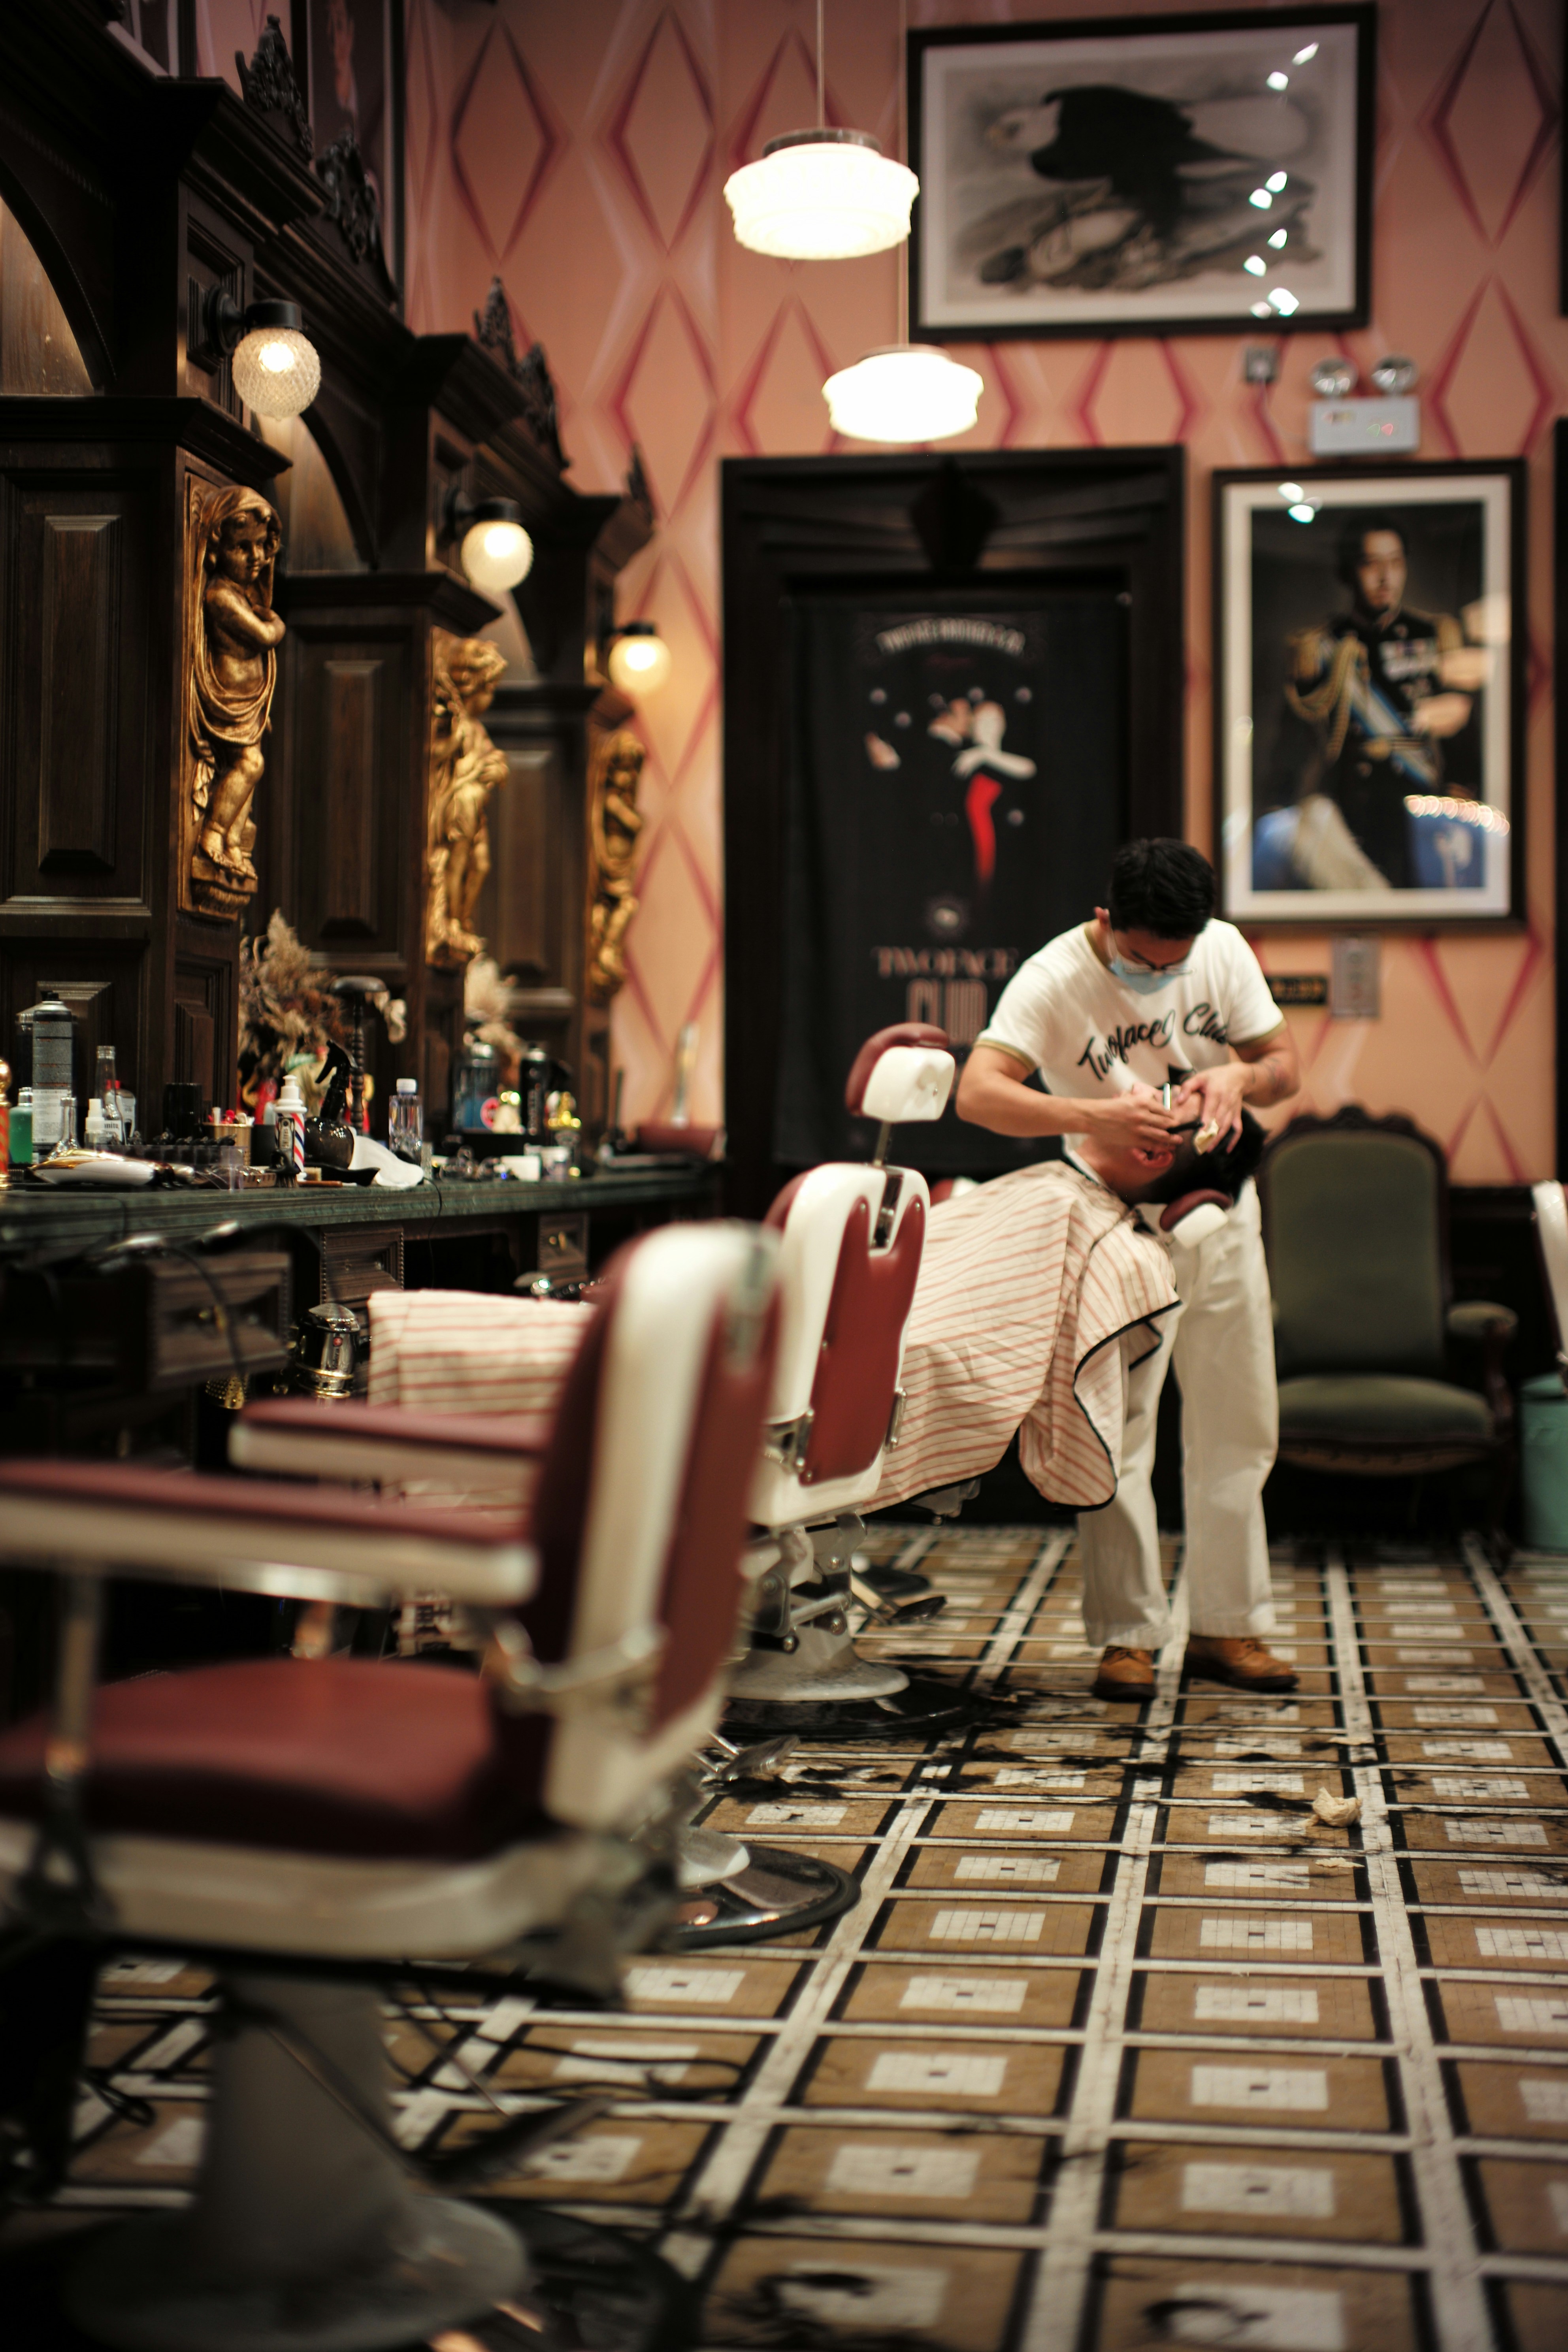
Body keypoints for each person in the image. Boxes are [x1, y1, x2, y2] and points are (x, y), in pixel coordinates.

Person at [956, 838, 1302, 1703]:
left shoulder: (1219, 947)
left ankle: (1230, 1627)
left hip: (1221, 1208)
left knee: (1240, 1422)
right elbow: (978, 1092)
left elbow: (1285, 1069)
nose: (1158, 974)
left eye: (1173, 962)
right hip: (1114, 1223)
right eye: (1142, 960)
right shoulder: (1052, 977)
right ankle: (1128, 1638)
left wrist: (1236, 1082)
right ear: (1107, 920)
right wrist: (1091, 1116)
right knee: (1120, 1433)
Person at [1261, 515, 1483, 891]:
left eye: (1396, 563)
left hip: (1423, 808)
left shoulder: (1433, 636)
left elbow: (1460, 728)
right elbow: (1294, 743)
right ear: (1349, 572)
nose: (1386, 578)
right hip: (1353, 807)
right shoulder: (1322, 648)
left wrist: (1464, 796)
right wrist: (1277, 804)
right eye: (1372, 564)